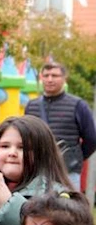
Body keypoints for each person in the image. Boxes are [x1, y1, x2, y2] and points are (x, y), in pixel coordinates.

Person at [25, 61, 96, 190]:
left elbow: (91, 139)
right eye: (46, 76)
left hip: (69, 170)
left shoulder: (78, 105)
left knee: (69, 208)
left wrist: (75, 157)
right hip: (38, 171)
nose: (49, 79)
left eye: (54, 75)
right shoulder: (31, 106)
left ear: (64, 78)